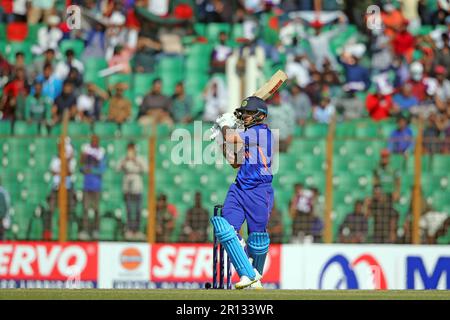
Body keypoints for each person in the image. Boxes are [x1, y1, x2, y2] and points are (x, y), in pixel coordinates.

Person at [211, 95, 274, 289]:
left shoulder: (262, 132)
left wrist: (224, 126)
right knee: (224, 228)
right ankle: (248, 274)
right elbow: (234, 162)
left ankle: (254, 276)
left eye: (249, 113)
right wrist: (221, 141)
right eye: (244, 113)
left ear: (260, 116)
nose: (245, 116)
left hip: (259, 191)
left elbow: (232, 136)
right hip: (239, 188)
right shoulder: (248, 136)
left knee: (257, 238)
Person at [46, 138, 77, 241]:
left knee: (69, 210)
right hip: (56, 188)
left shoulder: (71, 160)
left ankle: (68, 233)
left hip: (67, 188)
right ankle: (49, 233)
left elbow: (69, 172)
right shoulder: (55, 158)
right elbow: (53, 171)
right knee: (51, 209)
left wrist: (66, 161)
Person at [117, 142, 147, 241]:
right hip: (127, 188)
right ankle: (129, 230)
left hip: (137, 187)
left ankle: (137, 230)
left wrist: (135, 160)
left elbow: (146, 170)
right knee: (129, 210)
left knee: (138, 210)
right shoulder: (124, 159)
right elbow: (117, 169)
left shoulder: (140, 158)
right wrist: (125, 160)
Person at [79, 135, 107, 240]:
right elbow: (81, 167)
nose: (94, 142)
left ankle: (96, 230)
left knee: (96, 210)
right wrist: (83, 158)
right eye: (92, 141)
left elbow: (102, 169)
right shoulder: (86, 152)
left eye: (96, 141)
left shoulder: (101, 153)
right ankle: (85, 230)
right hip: (87, 185)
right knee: (85, 209)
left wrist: (91, 170)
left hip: (97, 186)